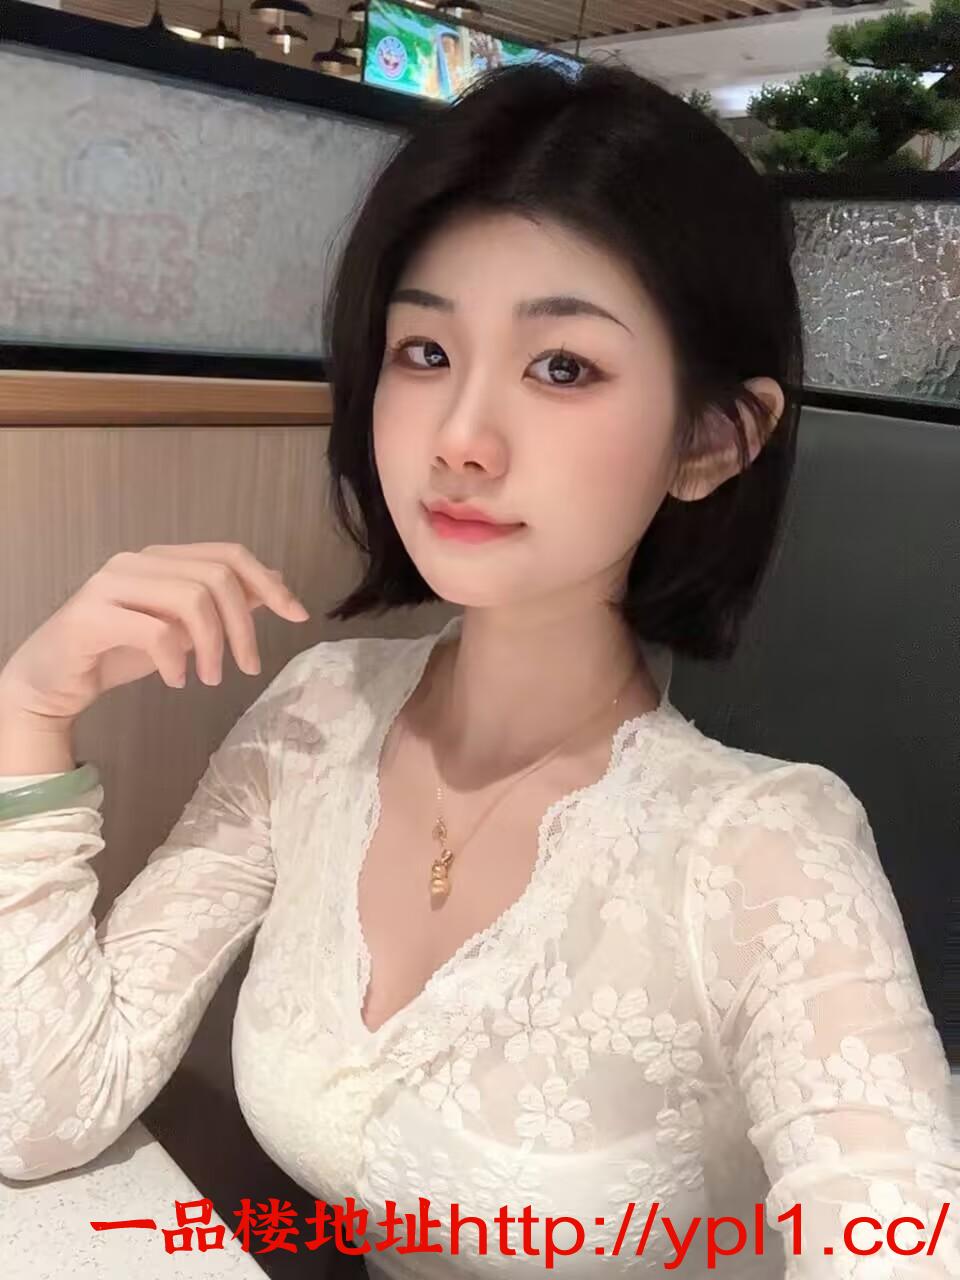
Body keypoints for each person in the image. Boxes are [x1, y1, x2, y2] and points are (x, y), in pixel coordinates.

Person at [0, 61, 956, 1279]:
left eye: (563, 366)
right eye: (424, 349)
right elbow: (45, 1105)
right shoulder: (314, 717)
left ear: (714, 439)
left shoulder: (768, 854)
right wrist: (28, 708)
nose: (459, 437)